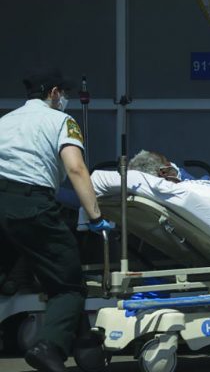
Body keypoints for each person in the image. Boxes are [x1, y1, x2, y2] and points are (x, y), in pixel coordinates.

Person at [0, 68, 115, 372]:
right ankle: (47, 347)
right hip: (30, 207)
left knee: (54, 274)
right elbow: (76, 169)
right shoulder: (61, 121)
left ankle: (85, 346)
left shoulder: (5, 121)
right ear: (53, 93)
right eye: (64, 94)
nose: (66, 99)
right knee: (69, 285)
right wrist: (95, 216)